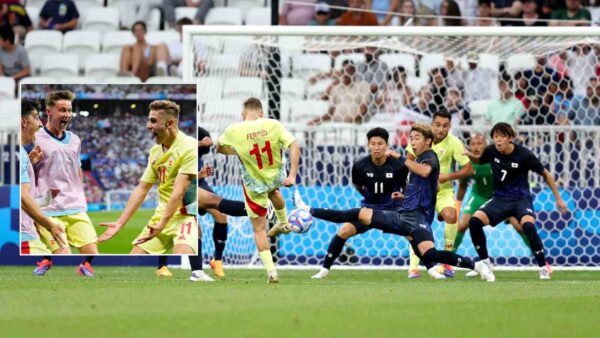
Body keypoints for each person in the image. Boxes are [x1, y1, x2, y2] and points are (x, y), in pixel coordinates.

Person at [285, 123, 493, 281]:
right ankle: (475, 265)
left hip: (413, 215)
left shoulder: (428, 157)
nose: (412, 141)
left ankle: (308, 209)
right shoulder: (413, 159)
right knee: (427, 251)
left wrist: (403, 159)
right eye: (411, 138)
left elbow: (427, 172)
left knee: (359, 214)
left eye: (417, 138)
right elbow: (431, 185)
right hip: (409, 213)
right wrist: (406, 197)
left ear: (428, 141)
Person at [465, 123, 567, 280]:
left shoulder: (524, 154)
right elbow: (479, 160)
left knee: (528, 226)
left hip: (521, 200)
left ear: (510, 138)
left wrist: (558, 199)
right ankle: (486, 264)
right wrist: (465, 153)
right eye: (495, 136)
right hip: (499, 199)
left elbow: (545, 174)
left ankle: (543, 268)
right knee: (474, 222)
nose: (498, 140)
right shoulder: (491, 150)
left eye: (502, 136)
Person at [217, 97, 301, 283]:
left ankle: (271, 272)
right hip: (276, 177)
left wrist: (236, 150)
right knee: (274, 192)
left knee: (259, 230)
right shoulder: (273, 124)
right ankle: (284, 222)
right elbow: (295, 145)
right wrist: (292, 176)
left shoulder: (234, 130)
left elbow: (219, 147)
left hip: (254, 184)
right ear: (261, 112)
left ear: (243, 114)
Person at [305, 127, 407, 279]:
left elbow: (406, 189)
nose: (376, 147)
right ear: (368, 145)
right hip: (368, 209)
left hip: (392, 209)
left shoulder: (398, 166)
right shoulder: (360, 166)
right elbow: (359, 186)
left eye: (380, 143)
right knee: (343, 231)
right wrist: (369, 199)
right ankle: (324, 270)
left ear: (387, 145)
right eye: (373, 143)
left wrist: (402, 198)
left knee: (413, 233)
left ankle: (430, 268)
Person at [98, 100, 198, 255]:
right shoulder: (155, 151)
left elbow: (178, 192)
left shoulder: (190, 146)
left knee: (183, 262)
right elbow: (142, 188)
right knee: (132, 263)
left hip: (186, 217)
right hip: (161, 217)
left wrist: (162, 224)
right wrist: (120, 223)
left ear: (169, 123)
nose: (148, 125)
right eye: (148, 120)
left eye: (153, 121)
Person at [453, 133, 543, 277]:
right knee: (464, 224)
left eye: (479, 143)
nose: (476, 147)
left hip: (501, 197)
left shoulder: (495, 157)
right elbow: (463, 184)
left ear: (486, 144)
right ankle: (449, 263)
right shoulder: (468, 161)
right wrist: (457, 204)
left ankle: (541, 261)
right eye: (473, 144)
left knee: (520, 227)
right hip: (478, 195)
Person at [405, 110, 474, 278]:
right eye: (437, 125)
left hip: (443, 192)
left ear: (450, 126)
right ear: (432, 124)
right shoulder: (420, 138)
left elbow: (469, 169)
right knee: (415, 226)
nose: (440, 129)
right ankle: (413, 267)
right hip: (420, 192)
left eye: (445, 126)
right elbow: (408, 163)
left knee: (451, 216)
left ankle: (447, 264)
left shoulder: (454, 142)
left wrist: (447, 176)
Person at [34, 91, 98, 255]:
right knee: (64, 258)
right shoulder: (35, 138)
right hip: (48, 211)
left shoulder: (75, 140)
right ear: (49, 111)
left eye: (69, 110)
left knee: (93, 258)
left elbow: (77, 169)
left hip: (75, 207)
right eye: (62, 110)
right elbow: (25, 171)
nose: (67, 115)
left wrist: (78, 193)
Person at [20, 99, 66, 256]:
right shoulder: (18, 155)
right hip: (22, 238)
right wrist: (49, 224)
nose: (40, 124)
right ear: (23, 122)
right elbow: (20, 197)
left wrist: (46, 200)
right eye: (36, 117)